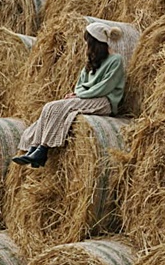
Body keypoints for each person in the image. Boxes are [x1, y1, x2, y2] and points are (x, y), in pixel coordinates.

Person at [12, 22, 126, 168]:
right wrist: (77, 93)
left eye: (88, 42)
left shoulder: (116, 60)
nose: (86, 46)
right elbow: (80, 83)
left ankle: (43, 149)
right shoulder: (92, 60)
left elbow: (105, 87)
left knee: (60, 108)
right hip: (87, 97)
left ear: (96, 43)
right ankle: (34, 148)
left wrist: (80, 95)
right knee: (50, 107)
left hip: (104, 101)